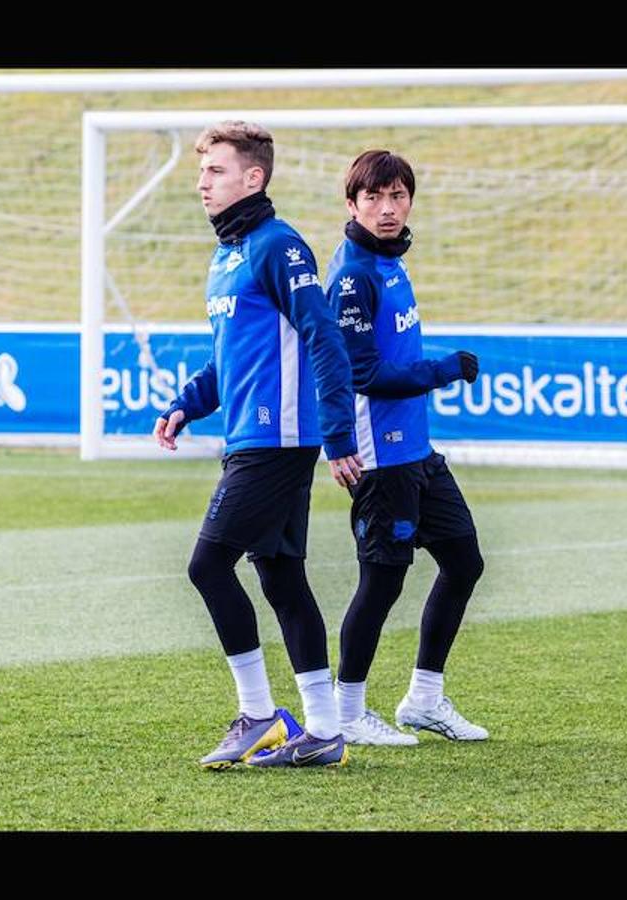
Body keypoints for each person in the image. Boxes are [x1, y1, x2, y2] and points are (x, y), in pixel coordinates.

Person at [154, 121, 363, 769]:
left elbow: (324, 337)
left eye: (215, 171)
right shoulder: (225, 258)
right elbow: (230, 358)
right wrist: (188, 403)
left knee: (207, 566)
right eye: (201, 172)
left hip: (279, 440)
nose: (202, 183)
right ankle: (324, 730)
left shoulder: (279, 247)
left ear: (254, 177)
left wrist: (337, 435)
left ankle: (258, 715)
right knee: (280, 578)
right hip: (246, 436)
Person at [324, 149, 489, 747]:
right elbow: (364, 374)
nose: (387, 208)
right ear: (352, 204)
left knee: (464, 562)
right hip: (381, 457)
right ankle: (347, 711)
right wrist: (442, 370)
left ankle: (424, 699)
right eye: (374, 198)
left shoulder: (391, 262)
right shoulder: (352, 277)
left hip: (418, 451)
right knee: (383, 581)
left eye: (397, 196)